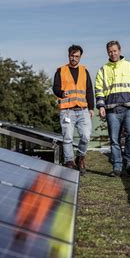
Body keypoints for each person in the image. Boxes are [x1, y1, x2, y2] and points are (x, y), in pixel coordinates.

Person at [95, 40, 130, 177]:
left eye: (115, 50)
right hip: (112, 109)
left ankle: (129, 162)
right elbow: (99, 89)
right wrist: (100, 106)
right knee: (114, 139)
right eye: (110, 51)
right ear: (108, 52)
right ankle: (117, 167)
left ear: (120, 50)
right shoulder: (103, 69)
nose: (113, 53)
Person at [53, 44, 94, 175]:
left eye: (77, 56)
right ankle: (69, 161)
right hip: (67, 111)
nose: (74, 58)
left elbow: (89, 91)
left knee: (86, 136)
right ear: (68, 55)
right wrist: (61, 93)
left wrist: (92, 108)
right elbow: (55, 87)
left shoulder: (84, 71)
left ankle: (80, 157)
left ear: (80, 57)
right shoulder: (60, 70)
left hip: (83, 110)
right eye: (72, 56)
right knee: (68, 138)